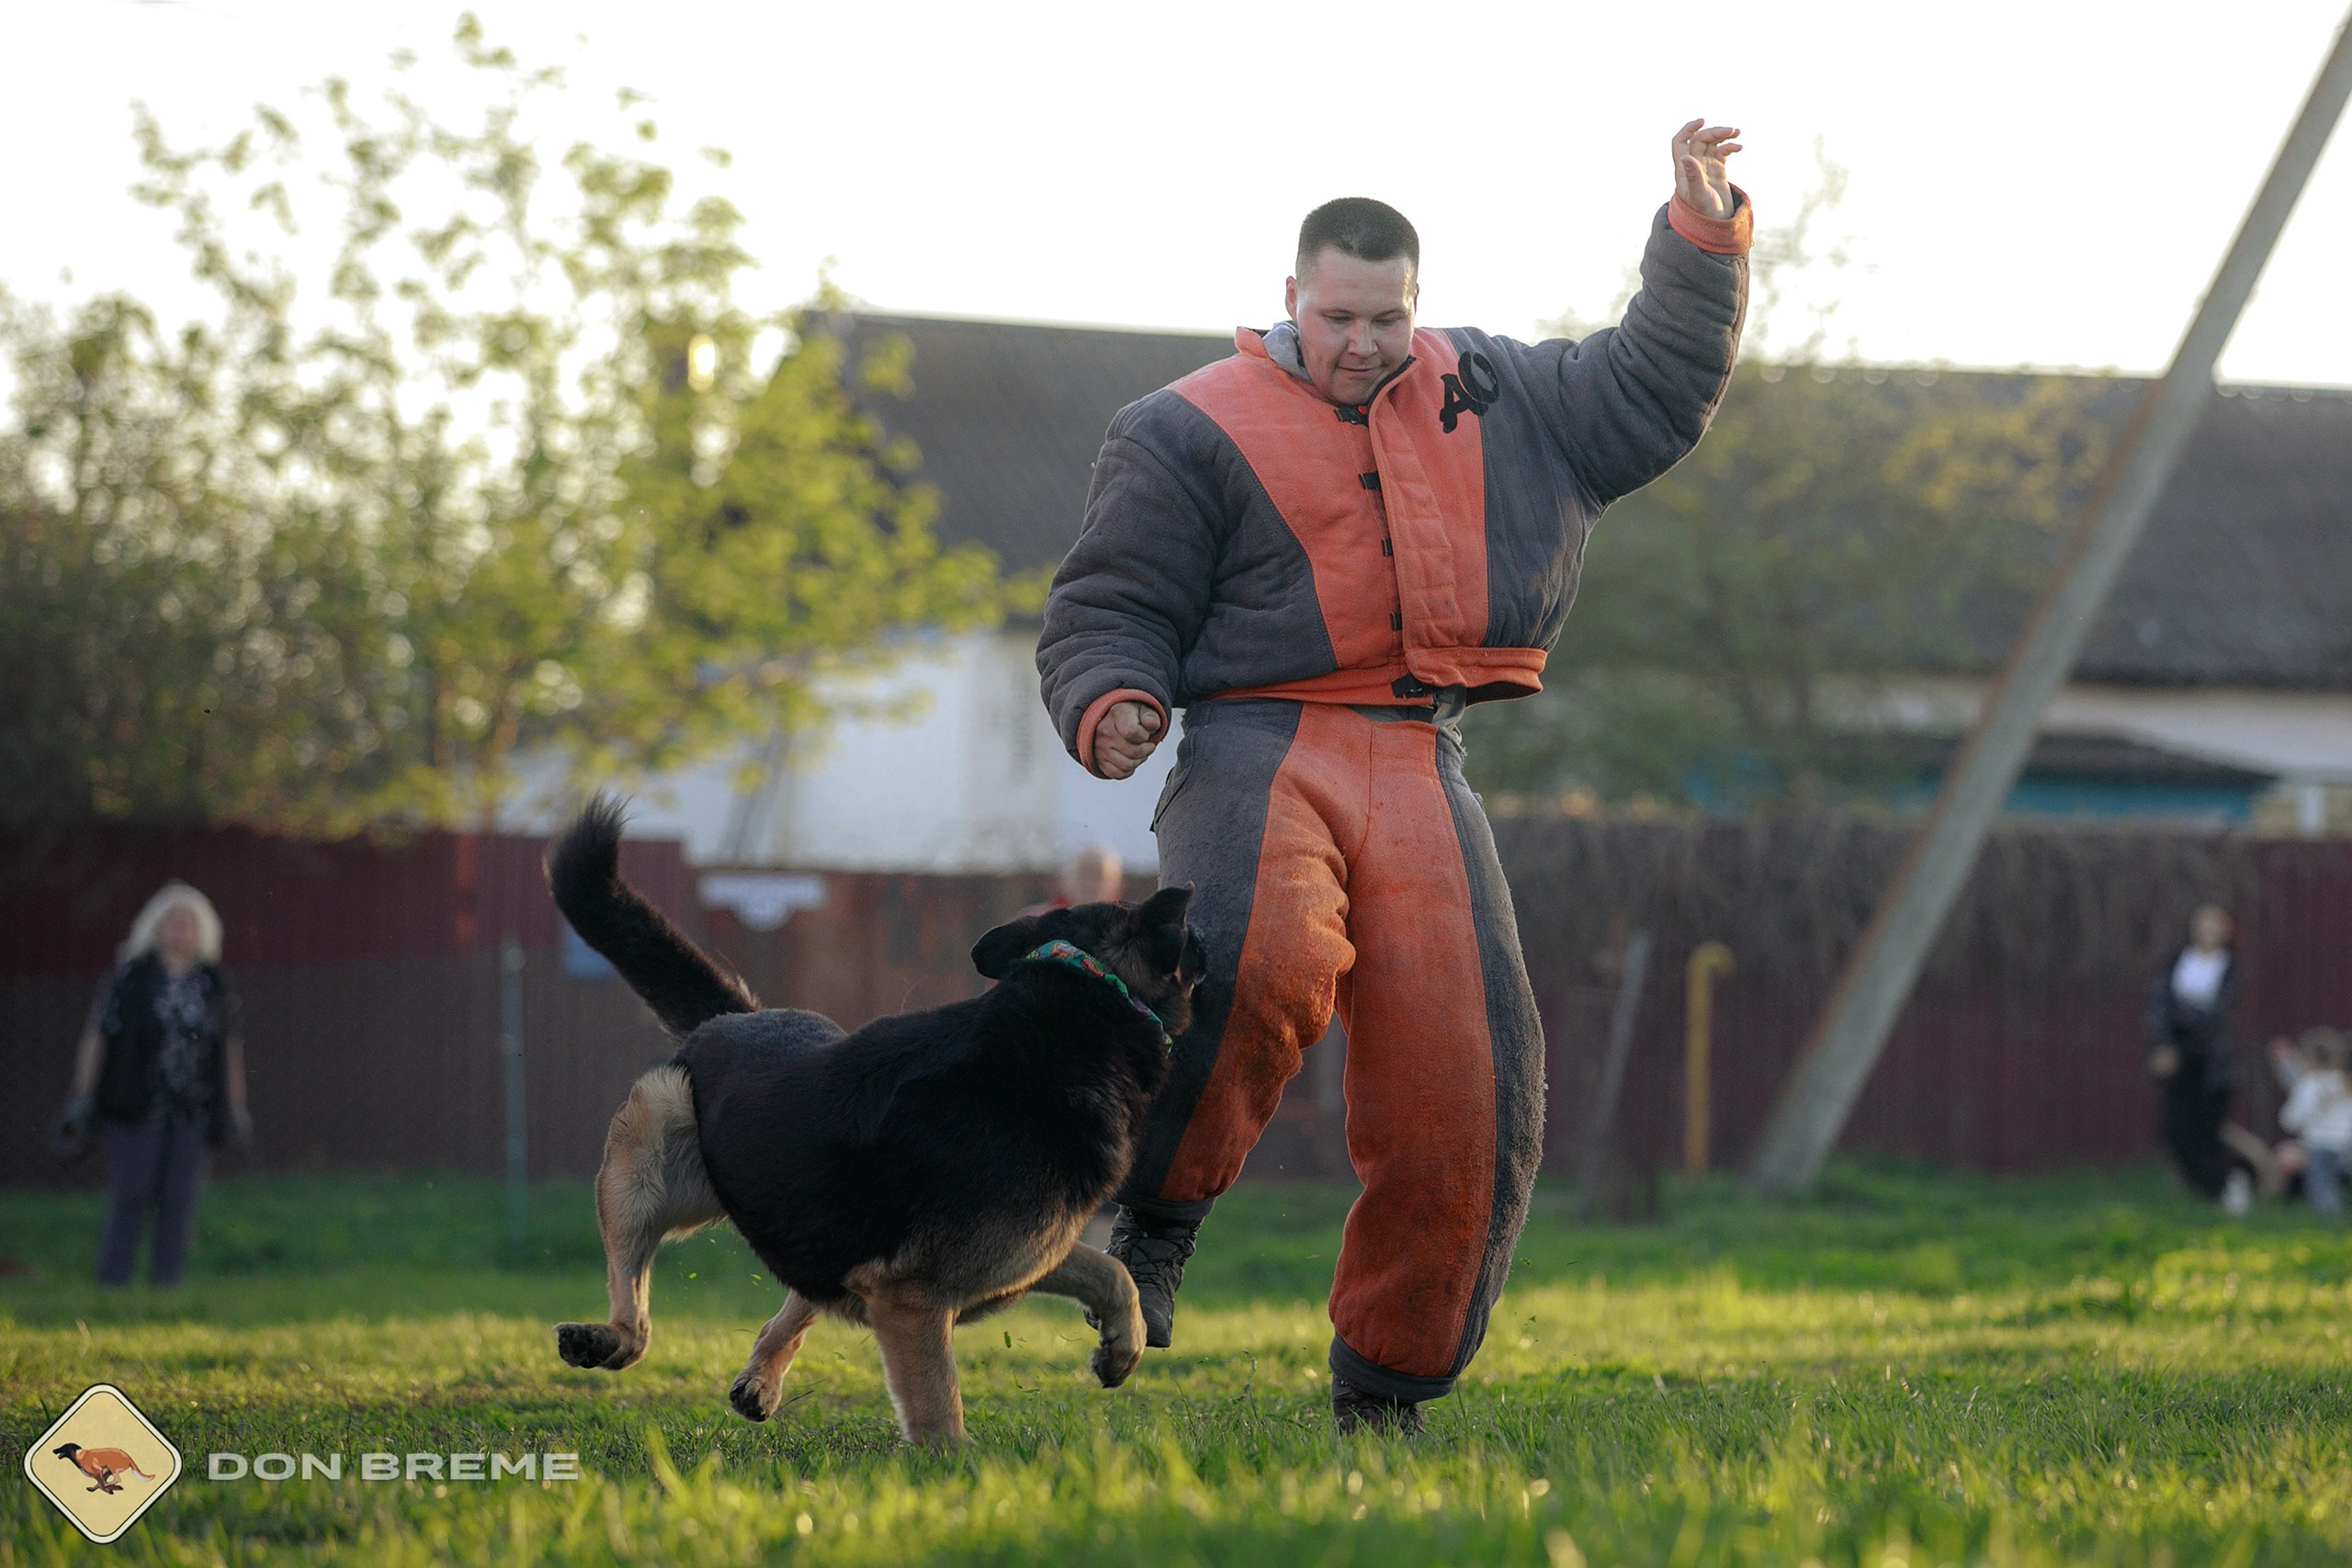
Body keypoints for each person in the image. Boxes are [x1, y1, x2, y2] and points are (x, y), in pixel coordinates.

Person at [1037, 123, 1750, 1432]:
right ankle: (1157, 1221)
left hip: (1424, 748)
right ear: (1292, 296)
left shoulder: (1496, 388)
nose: (1365, 341)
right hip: (1260, 739)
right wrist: (1115, 700)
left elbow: (1654, 389)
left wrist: (1701, 234)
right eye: (1339, 315)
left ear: (1418, 307)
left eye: (1390, 318)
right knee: (1253, 963)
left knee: (1469, 1075)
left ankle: (1387, 1384)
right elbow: (1111, 600)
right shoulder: (1183, 426)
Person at [49, 881, 253, 1287]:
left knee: (178, 1198)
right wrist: (82, 1097)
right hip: (133, 1104)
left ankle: (167, 1285)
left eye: (188, 922)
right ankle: (112, 1282)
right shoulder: (130, 978)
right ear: (155, 927)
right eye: (172, 921)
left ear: (202, 930)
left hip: (193, 1108)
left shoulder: (212, 982)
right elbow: (97, 1037)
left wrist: (236, 1106)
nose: (180, 929)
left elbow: (229, 1048)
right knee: (131, 1193)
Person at [2145, 904, 2246, 1212]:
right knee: (2175, 1128)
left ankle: (2224, 1186)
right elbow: (2159, 1005)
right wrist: (2162, 1044)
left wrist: (2180, 1041)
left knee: (2206, 1130)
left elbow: (2217, 1016)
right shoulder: (2177, 961)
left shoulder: (2230, 969)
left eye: (2213, 926)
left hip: (2210, 1063)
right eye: (2202, 924)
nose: (2206, 931)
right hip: (2177, 1061)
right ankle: (2208, 1189)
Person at [2275, 1027, 2352, 1216]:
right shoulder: (2344, 1082)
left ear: (2311, 1059)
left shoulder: (2309, 1085)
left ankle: (2330, 1219)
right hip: (2346, 1145)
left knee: (2321, 1186)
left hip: (2318, 1146)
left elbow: (2291, 1119)